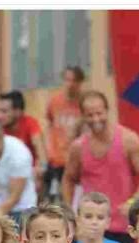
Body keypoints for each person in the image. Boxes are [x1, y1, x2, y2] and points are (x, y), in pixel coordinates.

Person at [62, 91, 139, 243]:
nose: (95, 119)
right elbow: (68, 179)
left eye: (99, 113)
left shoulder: (129, 140)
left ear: (107, 111)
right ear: (83, 116)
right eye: (90, 115)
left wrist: (133, 202)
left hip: (120, 225)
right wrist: (70, 213)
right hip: (89, 225)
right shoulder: (78, 147)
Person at [44, 66, 85, 202]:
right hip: (57, 158)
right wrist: (49, 149)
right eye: (67, 80)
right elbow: (49, 124)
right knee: (53, 196)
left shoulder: (84, 104)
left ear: (80, 83)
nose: (70, 84)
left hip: (76, 159)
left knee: (74, 197)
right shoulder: (55, 101)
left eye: (74, 80)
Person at [0, 91, 48, 189]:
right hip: (5, 175)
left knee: (38, 181)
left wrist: (40, 169)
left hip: (28, 175)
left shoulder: (30, 123)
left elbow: (42, 154)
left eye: (4, 112)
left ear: (18, 112)